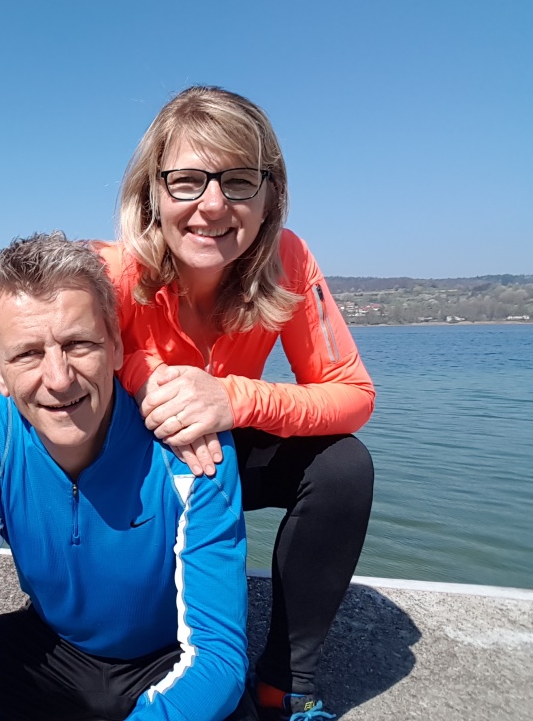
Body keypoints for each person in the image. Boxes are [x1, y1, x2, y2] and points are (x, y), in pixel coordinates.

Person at [0, 232, 257, 721]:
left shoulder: (190, 445)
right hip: (55, 652)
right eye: (27, 354)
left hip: (168, 658)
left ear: (116, 345)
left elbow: (218, 655)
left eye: (78, 344)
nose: (58, 378)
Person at [97, 86, 375, 721]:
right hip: (129, 469)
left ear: (269, 194)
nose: (213, 204)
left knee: (342, 467)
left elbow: (353, 394)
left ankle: (285, 686)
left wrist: (232, 396)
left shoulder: (286, 259)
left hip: (219, 458)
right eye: (187, 180)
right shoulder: (109, 273)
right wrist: (148, 375)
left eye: (239, 180)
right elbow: (58, 368)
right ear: (152, 193)